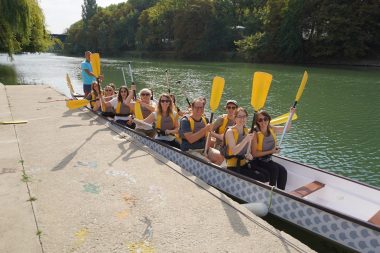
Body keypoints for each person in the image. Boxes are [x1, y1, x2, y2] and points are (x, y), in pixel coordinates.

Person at [250, 108, 296, 190]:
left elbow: (286, 129)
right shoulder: (255, 133)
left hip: (267, 160)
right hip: (256, 161)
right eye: (260, 120)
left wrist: (291, 115)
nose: (263, 122)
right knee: (274, 169)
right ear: (257, 122)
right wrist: (272, 151)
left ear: (268, 119)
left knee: (283, 171)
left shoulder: (271, 128)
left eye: (265, 119)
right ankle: (271, 193)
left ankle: (281, 193)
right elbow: (254, 154)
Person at [223, 107, 268, 182]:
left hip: (244, 164)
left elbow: (248, 150)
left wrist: (249, 155)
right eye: (239, 117)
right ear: (235, 118)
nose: (242, 119)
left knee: (266, 174)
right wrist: (246, 139)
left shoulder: (246, 131)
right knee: (261, 177)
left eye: (244, 116)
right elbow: (234, 151)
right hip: (233, 166)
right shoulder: (230, 132)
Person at [207, 100, 238, 165]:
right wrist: (220, 137)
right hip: (220, 146)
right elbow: (209, 130)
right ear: (226, 109)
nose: (231, 109)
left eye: (233, 108)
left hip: (233, 147)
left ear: (236, 109)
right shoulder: (221, 119)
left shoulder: (238, 120)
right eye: (229, 107)